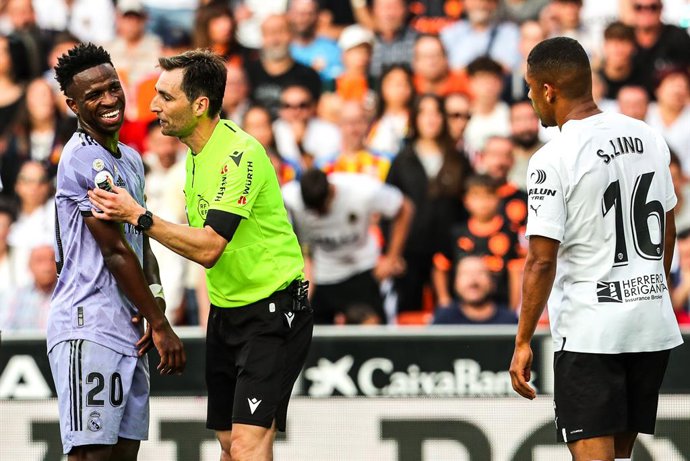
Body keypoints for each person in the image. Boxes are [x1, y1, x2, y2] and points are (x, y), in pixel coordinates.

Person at [87, 49, 314, 461]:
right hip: (228, 313)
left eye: (166, 96)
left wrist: (138, 215)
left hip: (273, 312)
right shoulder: (195, 157)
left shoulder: (239, 155)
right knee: (230, 445)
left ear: (200, 104)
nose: (153, 105)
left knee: (247, 445)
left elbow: (209, 247)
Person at [509, 37, 683, 461]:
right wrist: (647, 288)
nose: (531, 99)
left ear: (548, 89)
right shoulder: (647, 136)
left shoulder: (553, 158)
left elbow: (541, 259)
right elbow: (668, 229)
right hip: (650, 325)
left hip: (592, 332)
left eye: (531, 89)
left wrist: (523, 340)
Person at [49, 43, 185, 461]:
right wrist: (161, 324)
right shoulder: (82, 159)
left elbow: (140, 243)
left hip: (130, 328)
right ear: (72, 104)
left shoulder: (129, 158)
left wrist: (155, 298)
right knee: (92, 456)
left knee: (124, 455)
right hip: (88, 327)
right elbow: (115, 251)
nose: (108, 99)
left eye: (113, 87)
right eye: (93, 95)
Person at [282, 168, 413, 325]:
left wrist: (392, 258)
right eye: (312, 210)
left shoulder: (362, 190)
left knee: (374, 332)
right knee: (309, 334)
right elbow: (305, 255)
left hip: (361, 270)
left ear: (331, 191)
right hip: (322, 276)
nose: (317, 214)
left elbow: (404, 207)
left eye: (321, 208)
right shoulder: (290, 199)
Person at [432, 255, 518, 325]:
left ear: (492, 283)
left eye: (480, 273)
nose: (473, 280)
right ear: (455, 283)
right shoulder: (444, 320)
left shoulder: (509, 321)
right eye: (466, 274)